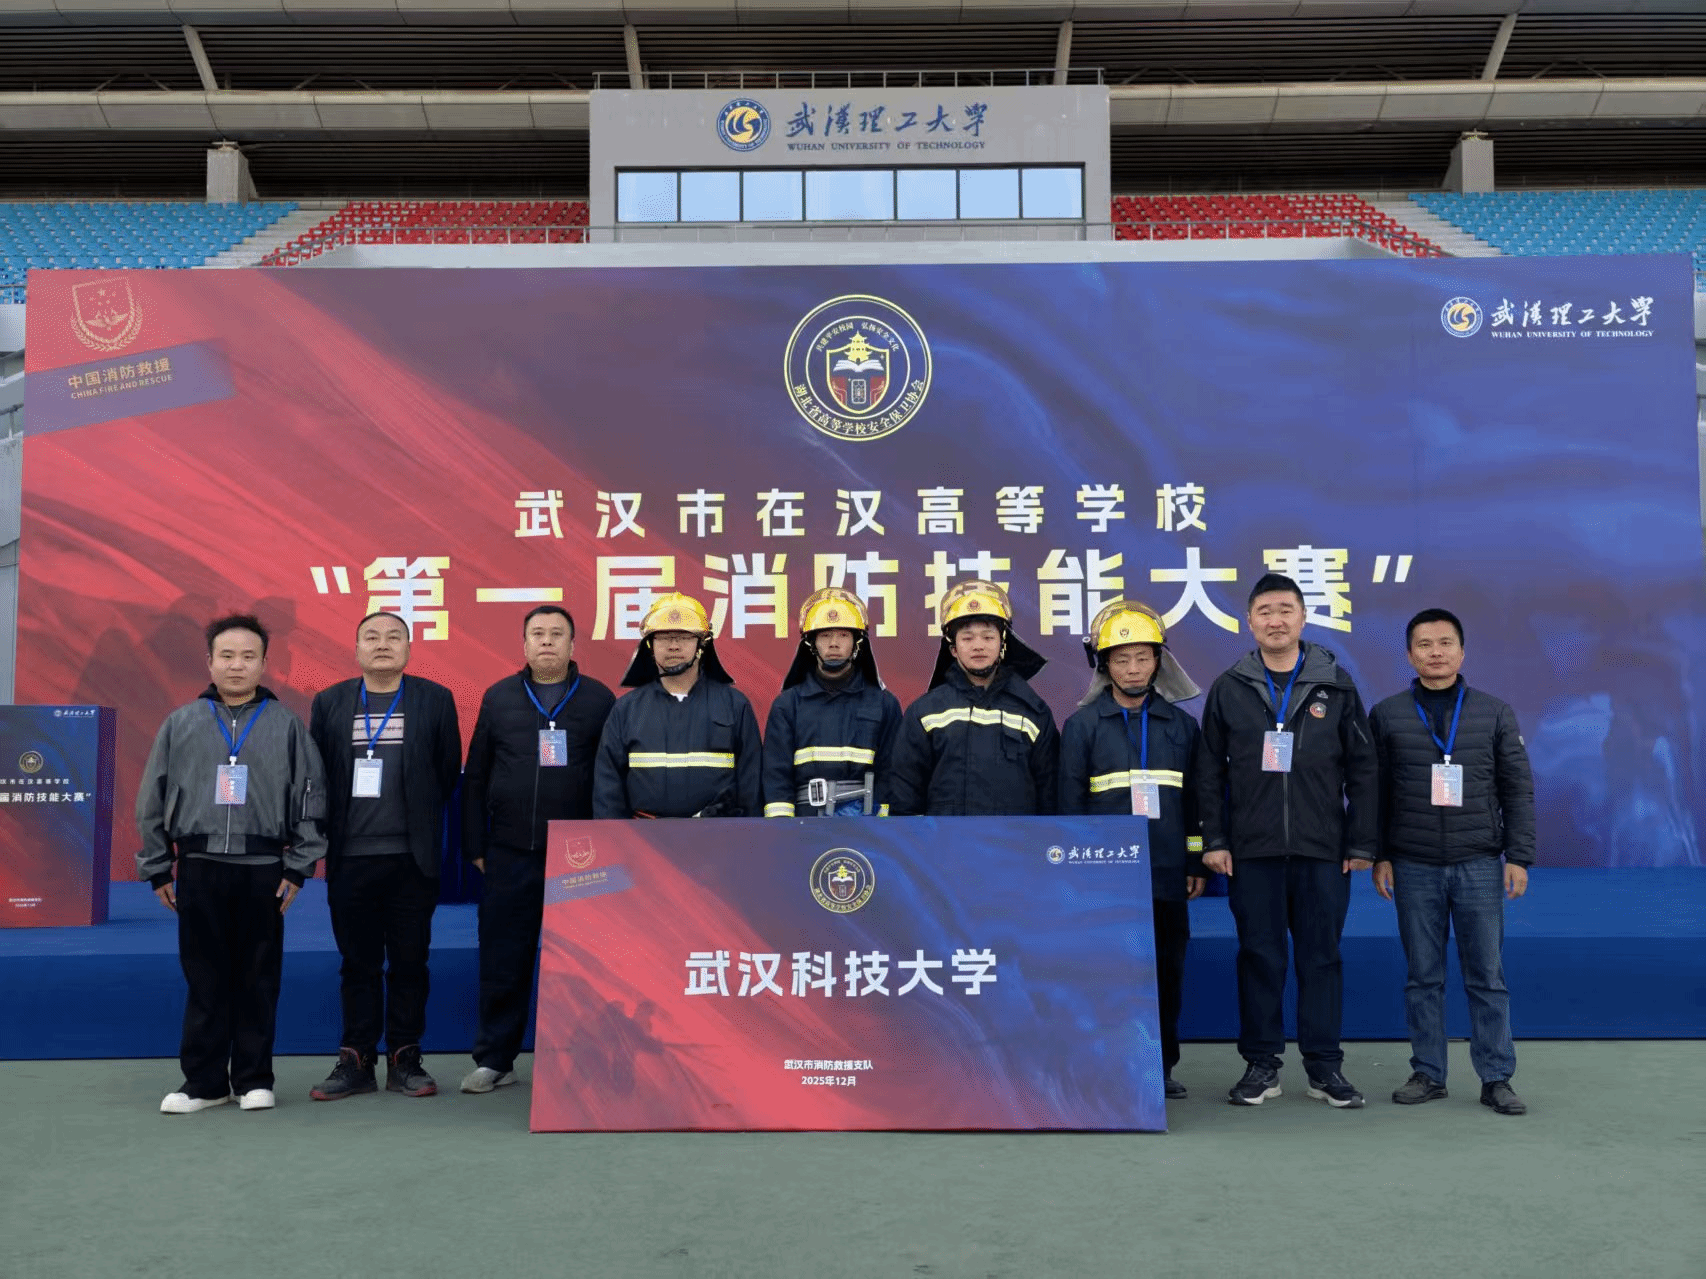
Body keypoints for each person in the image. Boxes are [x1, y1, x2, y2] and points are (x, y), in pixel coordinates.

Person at [1197, 572, 1378, 1108]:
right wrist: (1214, 839)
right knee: (1260, 957)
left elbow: (1363, 769)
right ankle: (1262, 1065)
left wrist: (1360, 843)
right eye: (1265, 612)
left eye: (1285, 610)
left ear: (1302, 617)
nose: (1275, 621)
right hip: (1252, 851)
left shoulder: (1336, 685)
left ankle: (1324, 1067)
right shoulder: (1229, 688)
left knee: (1321, 958)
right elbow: (1208, 772)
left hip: (1323, 851)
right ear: (1248, 622)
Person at [136, 613, 326, 1114]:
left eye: (248, 656)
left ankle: (253, 1078)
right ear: (209, 662)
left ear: (263, 664)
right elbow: (152, 797)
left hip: (264, 868)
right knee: (205, 976)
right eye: (227, 655)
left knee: (258, 976)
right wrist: (157, 866)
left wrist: (298, 866)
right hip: (198, 865)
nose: (237, 665)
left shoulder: (287, 725)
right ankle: (204, 1083)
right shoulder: (180, 723)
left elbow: (311, 797)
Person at [1369, 607, 1536, 1116]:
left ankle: (1496, 1077)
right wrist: (1380, 854)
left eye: (1445, 643)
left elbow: (1517, 788)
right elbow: (1375, 793)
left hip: (1479, 863)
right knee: (1423, 976)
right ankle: (1428, 1072)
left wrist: (1518, 856)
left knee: (1487, 976)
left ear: (1462, 652)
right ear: (1409, 654)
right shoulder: (1388, 714)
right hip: (1413, 863)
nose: (1435, 652)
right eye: (1424, 644)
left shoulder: (1494, 712)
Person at [307, 611, 462, 1103]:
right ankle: (355, 1060)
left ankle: (404, 1059)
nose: (382, 644)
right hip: (351, 857)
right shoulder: (330, 702)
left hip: (411, 859)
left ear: (409, 648)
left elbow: (446, 773)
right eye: (371, 637)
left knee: (410, 962)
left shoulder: (435, 700)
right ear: (356, 649)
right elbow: (317, 776)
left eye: (394, 637)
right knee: (358, 963)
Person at [459, 604, 615, 1094]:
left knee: (585, 961)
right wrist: (476, 842)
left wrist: (610, 842)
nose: (546, 641)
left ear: (573, 645)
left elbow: (611, 775)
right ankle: (495, 1059)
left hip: (581, 854)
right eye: (537, 634)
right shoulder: (499, 697)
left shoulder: (599, 699)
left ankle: (585, 1056)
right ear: (524, 644)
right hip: (510, 851)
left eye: (556, 634)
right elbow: (476, 774)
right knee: (503, 957)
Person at [1058, 600, 1206, 1099]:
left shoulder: (1181, 727)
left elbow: (1197, 801)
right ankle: (1107, 1068)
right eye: (1122, 659)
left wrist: (1193, 859)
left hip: (1165, 873)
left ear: (1159, 661)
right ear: (1104, 665)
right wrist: (1075, 871)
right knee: (1105, 974)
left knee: (1165, 974)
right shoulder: (1082, 726)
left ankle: (1159, 1069)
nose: (1134, 668)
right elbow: (1069, 806)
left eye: (1143, 657)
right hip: (1103, 878)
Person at [886, 581, 1058, 816]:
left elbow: (1050, 795)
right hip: (945, 839)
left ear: (1003, 644)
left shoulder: (1033, 712)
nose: (978, 646)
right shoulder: (925, 712)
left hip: (1015, 839)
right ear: (953, 649)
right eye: (967, 638)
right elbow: (905, 794)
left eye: (988, 637)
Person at [593, 593, 762, 819]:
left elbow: (751, 783)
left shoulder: (734, 705)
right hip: (646, 835)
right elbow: (608, 786)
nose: (673, 646)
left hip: (718, 834)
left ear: (702, 644)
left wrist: (750, 833)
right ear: (650, 646)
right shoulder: (626, 709)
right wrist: (616, 836)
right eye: (663, 638)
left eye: (683, 637)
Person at [762, 587, 903, 818]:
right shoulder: (787, 705)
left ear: (857, 643)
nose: (834, 643)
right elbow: (776, 775)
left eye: (843, 635)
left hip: (864, 821)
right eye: (825, 635)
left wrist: (880, 825)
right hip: (804, 821)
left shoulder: (884, 704)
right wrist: (783, 827)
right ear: (812, 643)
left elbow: (891, 773)